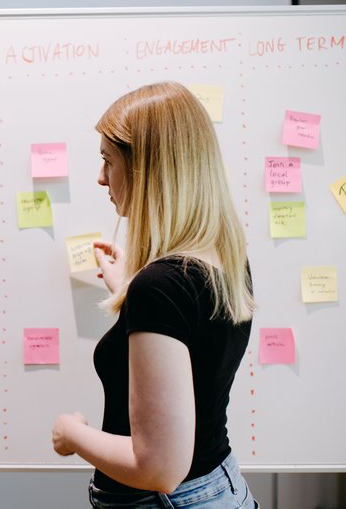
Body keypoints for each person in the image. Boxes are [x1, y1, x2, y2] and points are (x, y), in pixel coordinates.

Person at [51, 82, 258, 508]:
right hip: (219, 487)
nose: (101, 177)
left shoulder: (161, 288)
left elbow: (158, 469)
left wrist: (72, 433)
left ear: (148, 170)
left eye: (108, 161)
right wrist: (130, 288)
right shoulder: (225, 258)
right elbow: (195, 337)